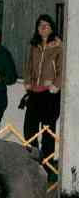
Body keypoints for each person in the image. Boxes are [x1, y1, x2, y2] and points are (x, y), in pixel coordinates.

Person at [23, 14, 62, 178]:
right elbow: (27, 65)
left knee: (47, 131)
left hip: (50, 95)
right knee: (29, 130)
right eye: (40, 25)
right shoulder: (34, 46)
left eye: (46, 25)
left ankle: (47, 169)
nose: (43, 28)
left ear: (52, 28)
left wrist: (55, 85)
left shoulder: (59, 46)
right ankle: (32, 165)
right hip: (34, 93)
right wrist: (27, 82)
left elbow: (63, 69)